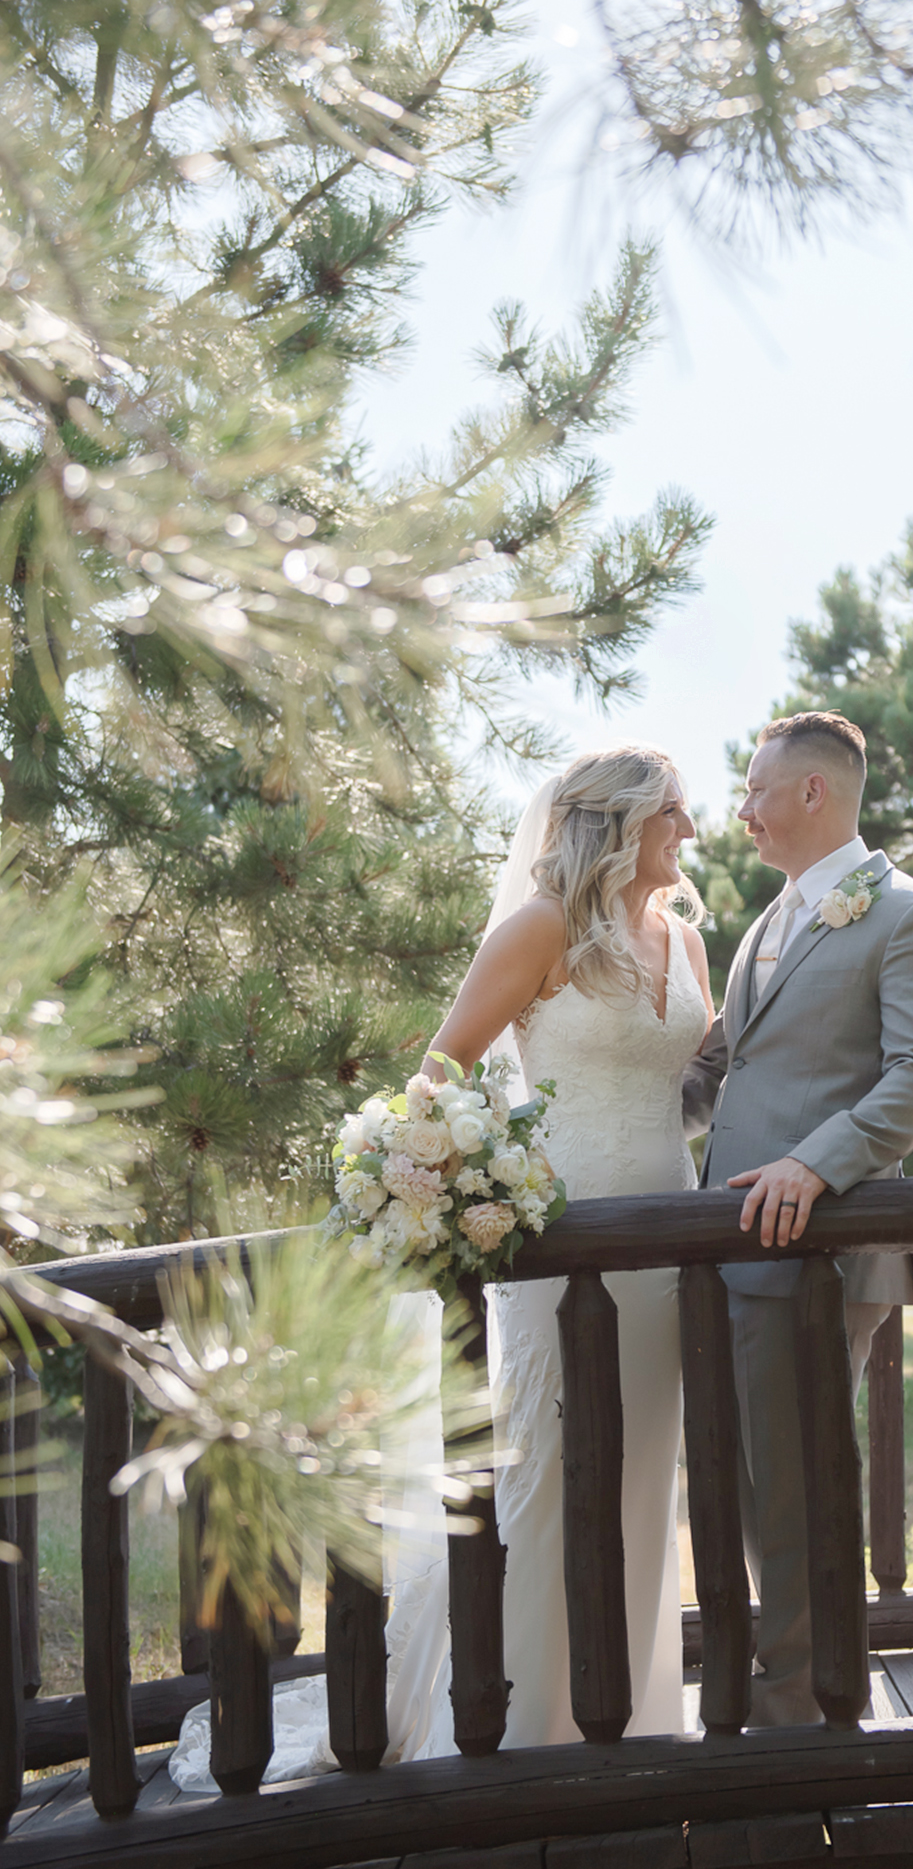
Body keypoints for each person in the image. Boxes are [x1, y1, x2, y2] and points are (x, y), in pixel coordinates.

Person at [171, 744, 713, 1790]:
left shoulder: (684, 938)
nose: (689, 832)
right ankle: (518, 1734)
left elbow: (692, 1080)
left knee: (647, 1468)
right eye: (674, 813)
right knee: (550, 1474)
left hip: (670, 1240)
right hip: (561, 1250)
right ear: (619, 822)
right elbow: (439, 1078)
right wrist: (475, 1190)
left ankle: (634, 1719)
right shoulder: (541, 927)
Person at [683, 711, 913, 1728]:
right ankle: (782, 1686)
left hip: (815, 1255)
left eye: (758, 788)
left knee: (798, 1486)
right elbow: (725, 1067)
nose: (743, 808)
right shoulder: (770, 920)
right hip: (730, 1252)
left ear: (813, 793)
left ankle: (805, 1712)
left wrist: (817, 1159)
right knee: (756, 1485)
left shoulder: (910, 914)